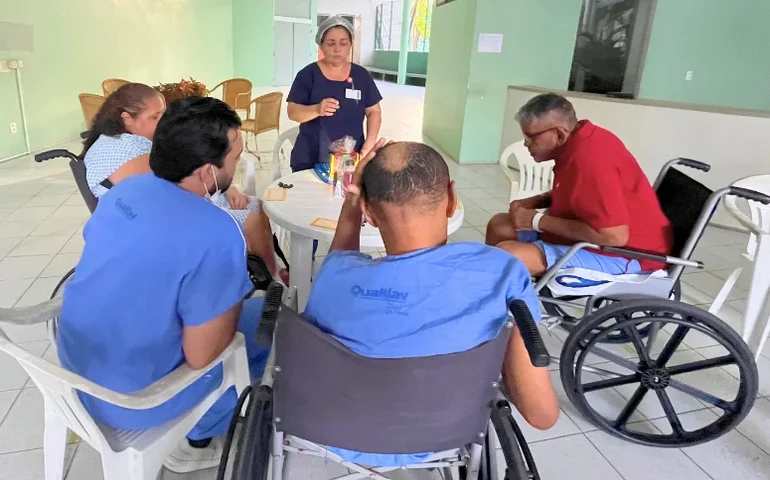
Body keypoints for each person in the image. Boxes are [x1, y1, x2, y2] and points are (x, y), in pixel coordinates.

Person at [303, 140, 559, 467]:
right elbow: (541, 415)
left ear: (368, 212)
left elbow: (340, 256)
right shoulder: (501, 273)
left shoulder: (333, 276)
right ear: (452, 200)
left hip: (335, 435)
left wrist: (354, 200)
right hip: (446, 435)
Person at [57, 97, 272, 473]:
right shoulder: (217, 232)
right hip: (137, 401)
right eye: (235, 159)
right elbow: (202, 356)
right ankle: (197, 437)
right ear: (208, 172)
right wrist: (232, 292)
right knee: (274, 326)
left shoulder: (123, 192)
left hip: (73, 373)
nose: (236, 166)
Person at [81, 83, 275, 268]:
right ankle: (267, 280)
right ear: (127, 118)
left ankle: (267, 266)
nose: (162, 122)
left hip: (172, 208)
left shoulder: (135, 140)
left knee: (258, 206)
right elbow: (166, 197)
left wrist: (226, 187)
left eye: (163, 114)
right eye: (155, 117)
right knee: (252, 220)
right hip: (160, 224)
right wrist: (218, 193)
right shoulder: (122, 148)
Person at [486, 93, 673, 276]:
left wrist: (535, 220)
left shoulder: (590, 159)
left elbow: (614, 236)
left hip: (628, 253)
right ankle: (500, 293)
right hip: (596, 237)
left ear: (559, 134)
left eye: (531, 138)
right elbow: (579, 192)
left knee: (508, 255)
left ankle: (503, 298)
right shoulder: (577, 141)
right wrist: (538, 201)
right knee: (499, 225)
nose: (526, 144)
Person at [287, 15, 383, 172]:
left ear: (350, 44)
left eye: (343, 43)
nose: (337, 49)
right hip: (311, 156)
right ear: (321, 45)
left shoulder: (361, 76)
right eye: (331, 43)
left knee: (345, 194)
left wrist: (369, 144)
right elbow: (293, 112)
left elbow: (374, 111)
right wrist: (317, 109)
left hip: (352, 156)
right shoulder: (308, 75)